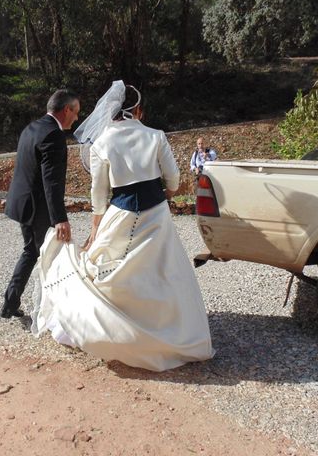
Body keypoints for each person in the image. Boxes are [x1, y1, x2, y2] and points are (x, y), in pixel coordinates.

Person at [31, 81, 214, 371]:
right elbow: (174, 180)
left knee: (109, 271)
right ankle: (167, 331)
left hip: (120, 213)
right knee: (163, 273)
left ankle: (110, 331)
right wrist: (163, 195)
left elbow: (99, 195)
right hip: (156, 215)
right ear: (138, 110)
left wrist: (95, 231)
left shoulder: (101, 142)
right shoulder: (156, 136)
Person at [0, 89, 80, 319]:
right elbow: (51, 182)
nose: (76, 119)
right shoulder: (54, 135)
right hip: (37, 208)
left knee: (31, 252)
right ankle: (56, 312)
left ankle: (10, 304)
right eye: (76, 113)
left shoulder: (31, 127)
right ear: (67, 110)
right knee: (46, 254)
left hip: (22, 202)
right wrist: (60, 219)